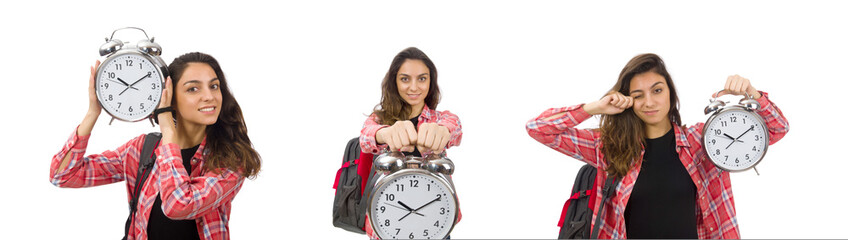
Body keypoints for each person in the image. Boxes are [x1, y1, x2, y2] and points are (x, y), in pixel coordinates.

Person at [526, 53, 789, 239]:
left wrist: (752, 94)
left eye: (657, 90)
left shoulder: (703, 141)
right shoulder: (608, 146)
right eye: (637, 95)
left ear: (671, 94)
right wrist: (594, 107)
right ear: (628, 101)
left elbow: (777, 129)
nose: (649, 102)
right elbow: (538, 129)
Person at [49, 52, 261, 240]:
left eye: (214, 86)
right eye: (193, 89)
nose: (209, 96)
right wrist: (92, 113)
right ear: (169, 97)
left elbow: (177, 205)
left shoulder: (231, 160)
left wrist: (168, 131)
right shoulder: (143, 149)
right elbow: (63, 174)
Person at [359, 47, 462, 238]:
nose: (414, 87)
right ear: (394, 82)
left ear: (431, 82)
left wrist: (442, 132)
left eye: (422, 78)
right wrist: (385, 133)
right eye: (405, 79)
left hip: (433, 218)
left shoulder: (442, 119)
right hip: (386, 220)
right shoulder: (380, 119)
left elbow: (454, 128)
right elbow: (365, 137)